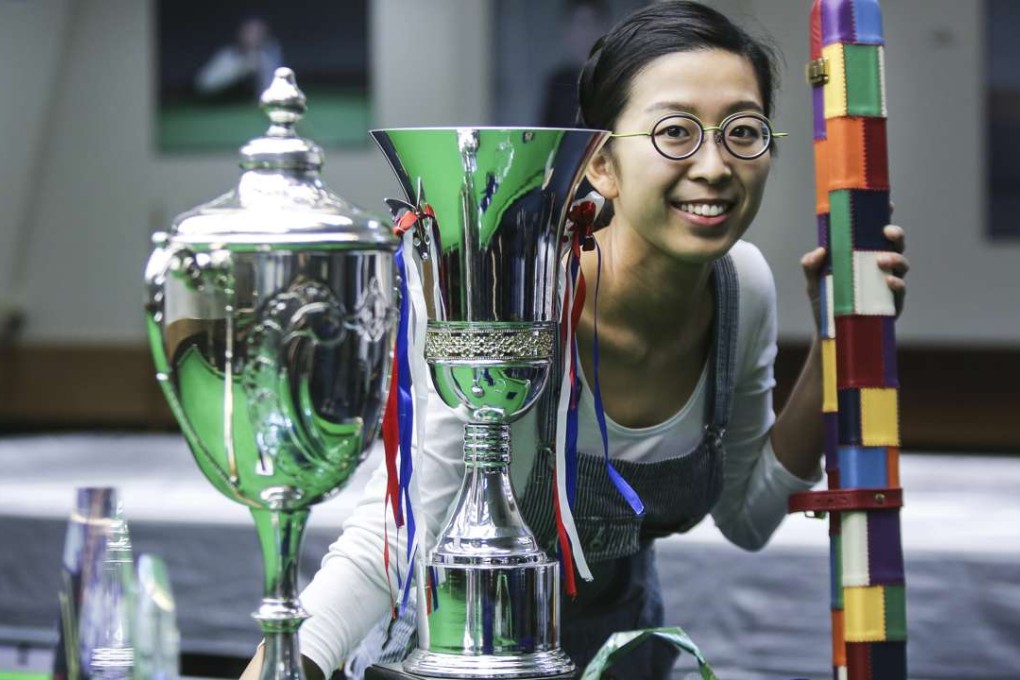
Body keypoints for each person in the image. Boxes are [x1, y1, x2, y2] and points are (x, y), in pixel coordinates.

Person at [243, 2, 909, 679]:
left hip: (622, 654)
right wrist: (286, 667)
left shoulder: (744, 287)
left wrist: (838, 338)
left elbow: (749, 515)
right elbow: (391, 539)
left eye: (744, 131)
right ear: (602, 166)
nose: (715, 165)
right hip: (452, 656)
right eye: (675, 132)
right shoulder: (505, 296)